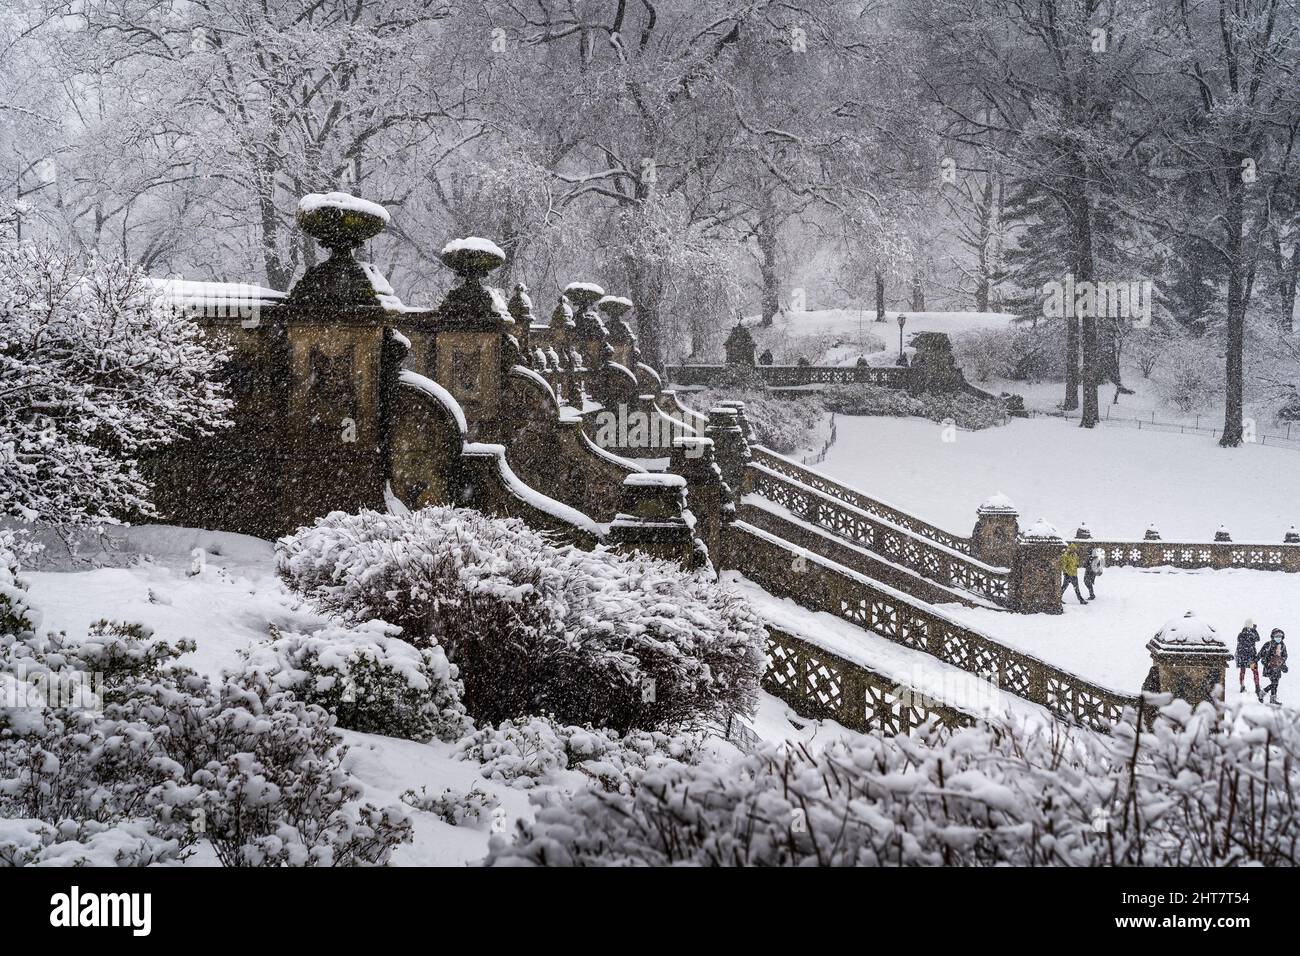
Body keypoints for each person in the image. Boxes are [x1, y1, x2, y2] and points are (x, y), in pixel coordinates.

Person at [1260, 628, 1289, 706]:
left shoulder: (1282, 645)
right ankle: (1268, 697)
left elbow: (1285, 655)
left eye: (1280, 636)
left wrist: (1280, 661)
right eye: (1277, 636)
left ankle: (1265, 695)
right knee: (1274, 683)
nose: (1278, 638)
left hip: (1278, 667)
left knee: (1275, 683)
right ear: (1272, 636)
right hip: (1269, 667)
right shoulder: (1268, 644)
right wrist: (1257, 660)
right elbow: (1261, 654)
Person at [1235, 620, 1262, 700]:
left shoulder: (1240, 634)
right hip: (1251, 657)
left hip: (1243, 657)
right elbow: (1258, 639)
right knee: (1255, 672)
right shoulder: (1253, 634)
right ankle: (1257, 687)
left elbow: (1239, 641)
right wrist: (1254, 629)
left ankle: (1242, 685)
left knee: (1242, 671)